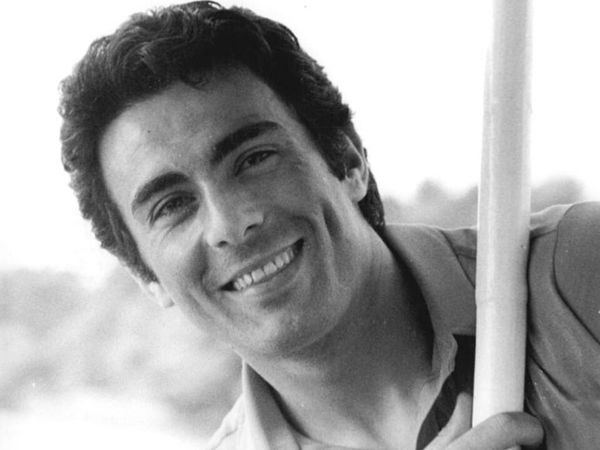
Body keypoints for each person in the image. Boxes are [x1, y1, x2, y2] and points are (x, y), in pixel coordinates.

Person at [59, 2, 599, 449]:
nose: (232, 223)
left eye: (254, 159)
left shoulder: (579, 272)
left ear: (346, 160)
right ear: (146, 276)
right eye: (172, 205)